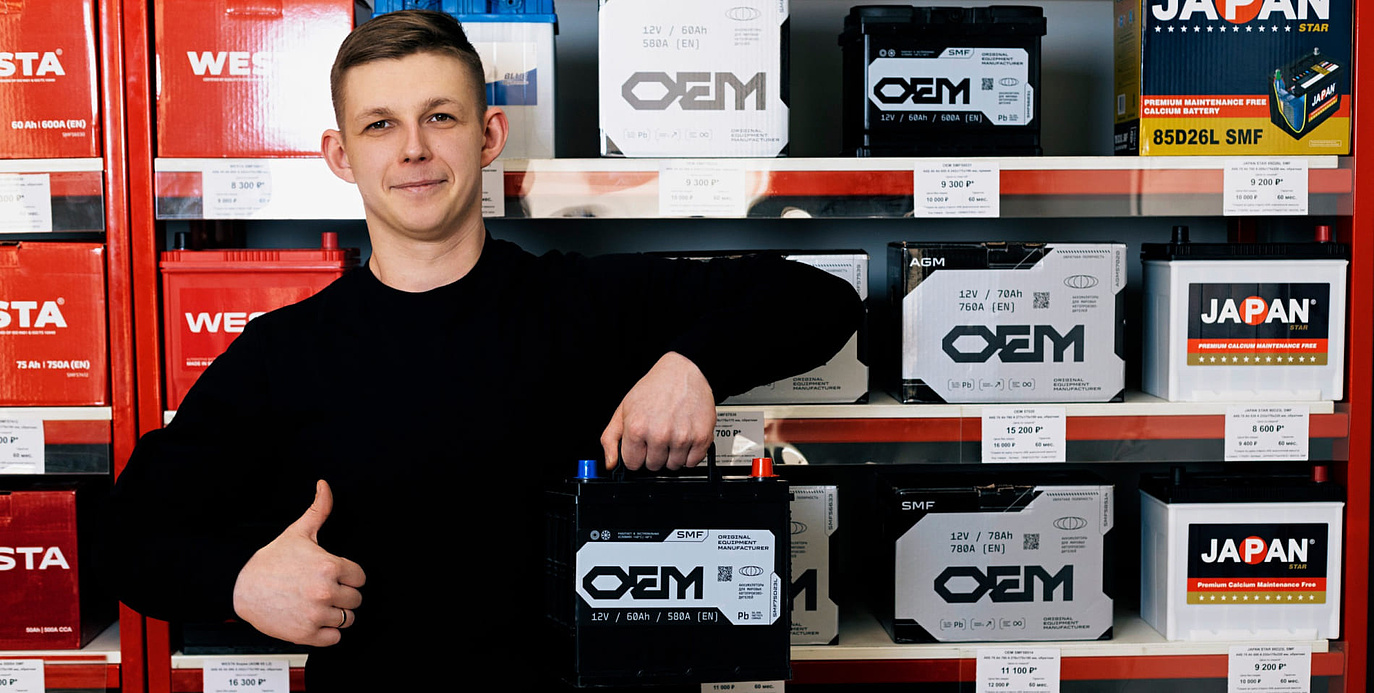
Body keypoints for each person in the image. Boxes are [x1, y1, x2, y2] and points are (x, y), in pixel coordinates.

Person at [110, 9, 862, 690]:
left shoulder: (587, 303)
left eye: (440, 117)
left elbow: (822, 298)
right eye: (380, 125)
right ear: (340, 155)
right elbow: (127, 535)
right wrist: (240, 581)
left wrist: (693, 365)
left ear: (490, 135)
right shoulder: (284, 355)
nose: (413, 149)